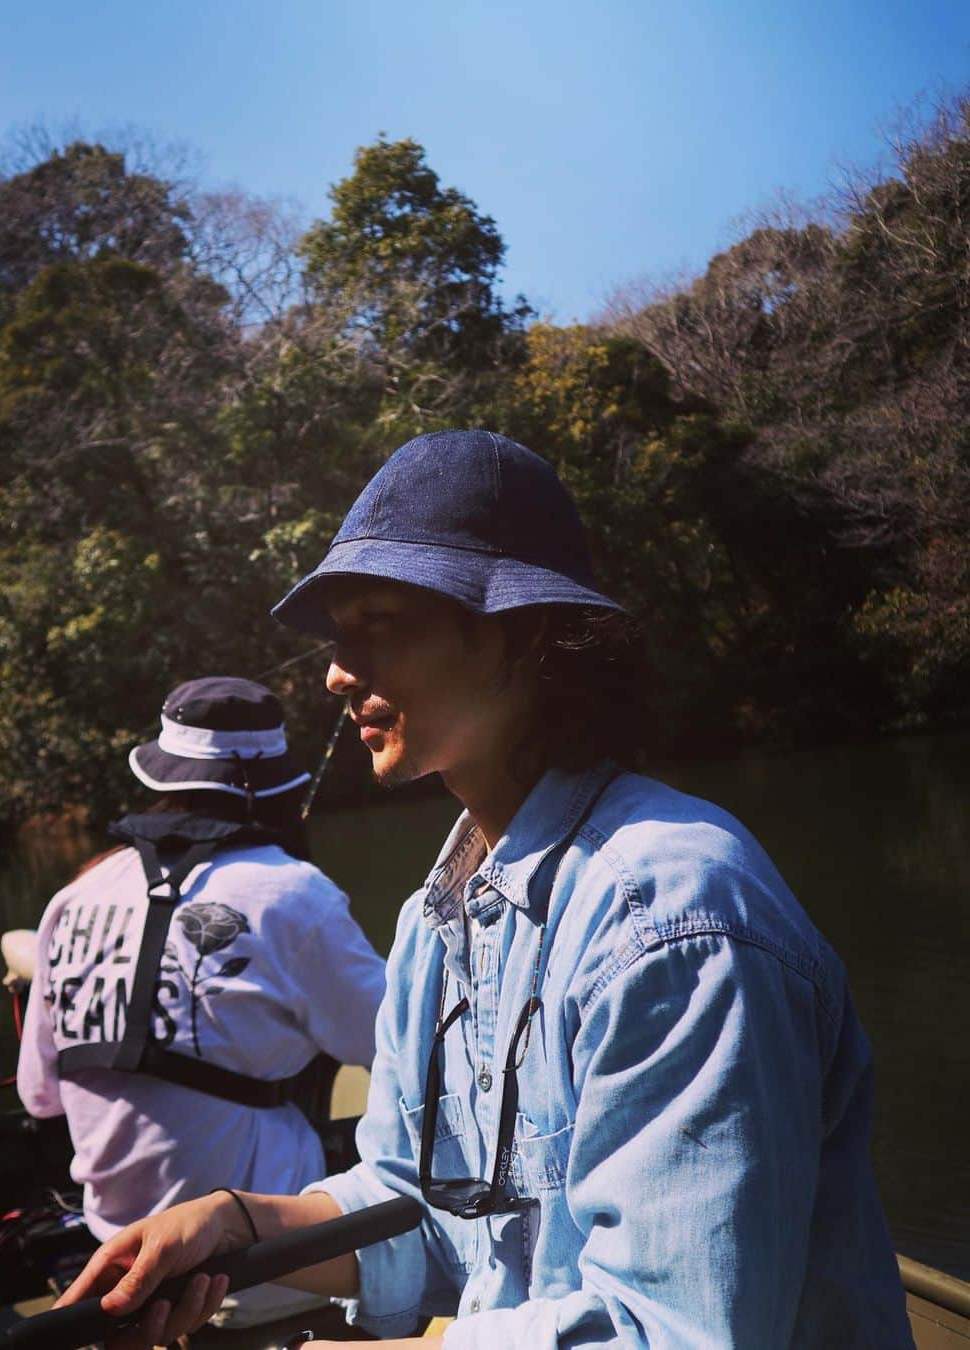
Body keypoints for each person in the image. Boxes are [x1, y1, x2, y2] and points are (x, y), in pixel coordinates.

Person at [59, 432, 914, 1349]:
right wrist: (234, 1225)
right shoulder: (443, 913)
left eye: (377, 624)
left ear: (524, 633)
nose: (337, 672)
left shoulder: (673, 920)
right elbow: (421, 1210)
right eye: (339, 638)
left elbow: (675, 1332)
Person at [17, 676, 386, 1254]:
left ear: (163, 771)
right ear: (274, 783)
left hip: (114, 1247)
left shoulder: (75, 895)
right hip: (264, 1261)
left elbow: (39, 1098)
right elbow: (394, 1047)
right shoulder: (292, 893)